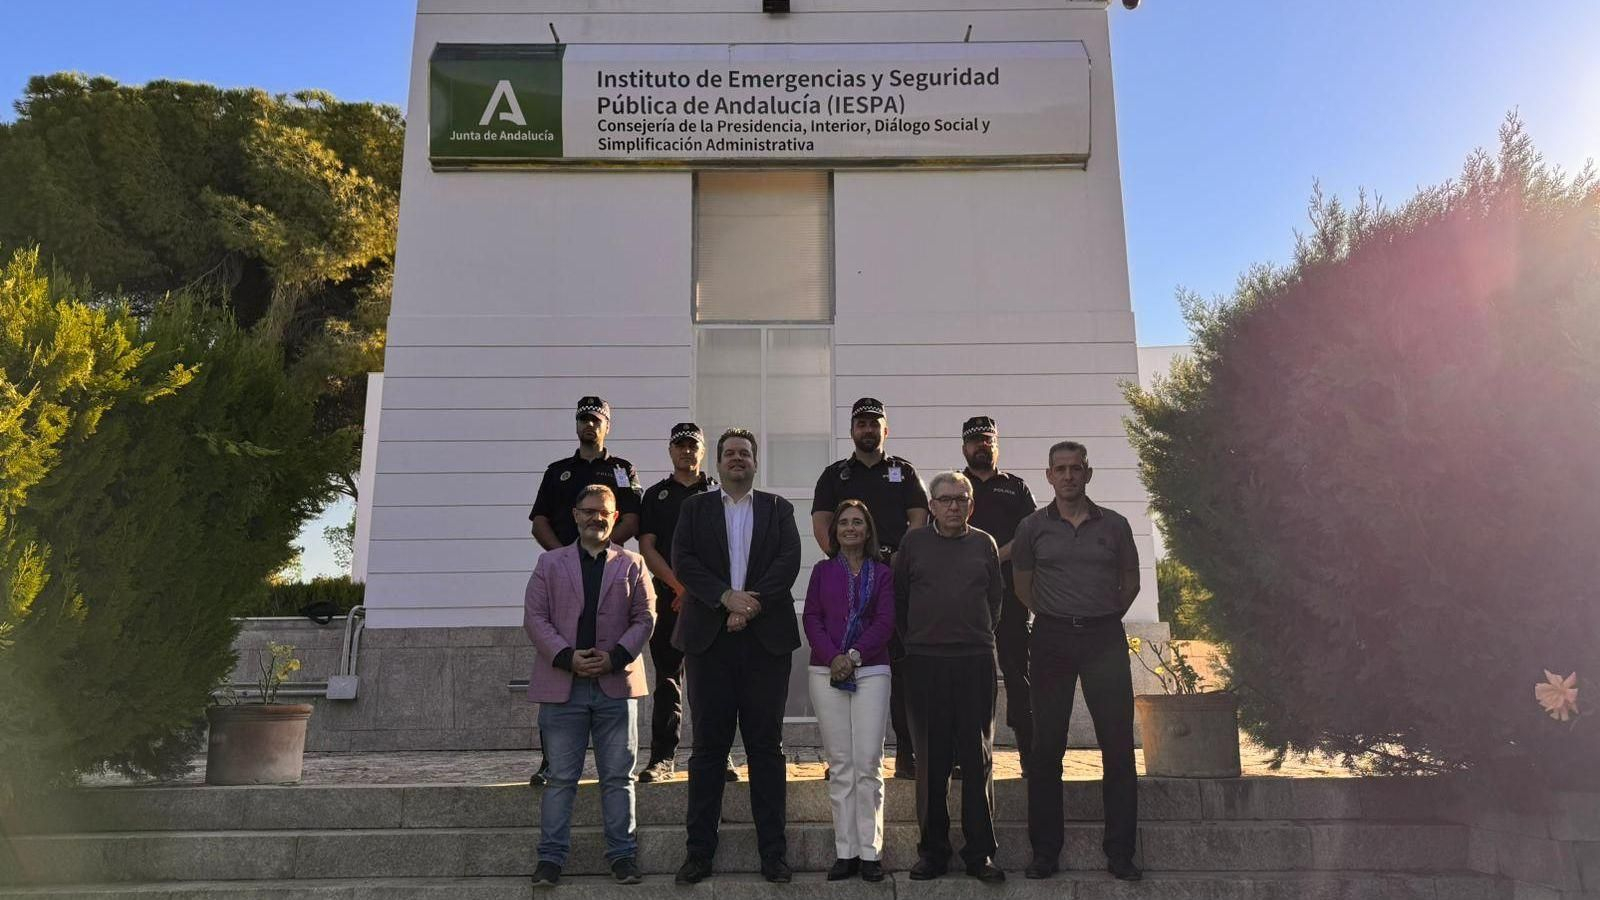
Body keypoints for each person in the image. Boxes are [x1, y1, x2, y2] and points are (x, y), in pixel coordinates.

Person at [670, 428, 803, 884]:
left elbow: (788, 561)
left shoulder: (778, 509)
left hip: (766, 644)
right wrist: (725, 598)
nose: (737, 459)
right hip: (710, 642)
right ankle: (699, 853)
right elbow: (683, 560)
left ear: (755, 462)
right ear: (719, 462)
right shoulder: (694, 508)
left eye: (744, 453)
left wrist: (750, 604)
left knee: (766, 749)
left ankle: (774, 854)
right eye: (729, 453)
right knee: (708, 750)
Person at [1013, 441, 1143, 882]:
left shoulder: (1117, 526)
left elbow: (1131, 581)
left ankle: (1121, 853)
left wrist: (1100, 614)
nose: (1068, 476)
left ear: (1088, 474)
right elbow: (1023, 587)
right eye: (1060, 469)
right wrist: (1059, 615)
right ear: (1048, 476)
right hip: (1050, 639)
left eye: (1076, 469)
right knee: (1046, 747)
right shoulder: (1032, 527)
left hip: (1104, 637)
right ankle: (1044, 852)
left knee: (1119, 747)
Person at [521, 485, 655, 887]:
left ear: (615, 519)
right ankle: (550, 860)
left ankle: (623, 857)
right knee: (561, 777)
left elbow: (645, 617)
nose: (596, 517)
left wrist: (614, 657)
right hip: (564, 686)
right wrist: (566, 656)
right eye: (589, 511)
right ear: (576, 515)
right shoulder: (549, 564)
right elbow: (535, 618)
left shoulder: (633, 564)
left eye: (605, 512)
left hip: (616, 683)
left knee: (619, 776)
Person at [893, 471, 1005, 883]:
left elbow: (995, 602)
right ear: (932, 505)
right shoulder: (914, 543)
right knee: (931, 762)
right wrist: (920, 641)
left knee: (978, 760)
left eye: (961, 499)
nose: (954, 505)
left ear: (971, 505)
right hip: (924, 663)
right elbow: (900, 598)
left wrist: (973, 637)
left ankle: (981, 854)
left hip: (975, 660)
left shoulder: (985, 544)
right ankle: (933, 852)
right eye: (945, 499)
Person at [526, 396, 644, 785]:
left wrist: (605, 549)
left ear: (608, 425)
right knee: (557, 673)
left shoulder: (622, 470)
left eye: (596, 420)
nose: (589, 426)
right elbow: (539, 520)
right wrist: (565, 557)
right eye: (583, 420)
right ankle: (550, 762)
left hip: (608, 573)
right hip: (563, 575)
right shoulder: (557, 471)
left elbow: (633, 518)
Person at [811, 397, 929, 779]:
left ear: (885, 430)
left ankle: (907, 755)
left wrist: (894, 562)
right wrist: (847, 561)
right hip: (850, 583)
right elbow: (823, 523)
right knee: (847, 662)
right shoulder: (834, 475)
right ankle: (842, 759)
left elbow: (919, 520)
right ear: (851, 431)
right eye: (860, 423)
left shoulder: (903, 472)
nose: (867, 429)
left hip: (895, 581)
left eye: (874, 423)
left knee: (902, 672)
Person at [635, 423, 738, 784]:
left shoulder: (718, 492)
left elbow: (731, 549)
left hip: (712, 601)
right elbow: (647, 547)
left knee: (714, 682)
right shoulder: (655, 496)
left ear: (702, 451)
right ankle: (663, 758)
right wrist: (679, 587)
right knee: (668, 679)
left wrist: (700, 591)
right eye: (679, 445)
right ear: (670, 451)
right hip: (669, 599)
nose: (686, 451)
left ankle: (719, 754)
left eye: (693, 446)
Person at [802, 500, 897, 883]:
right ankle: (846, 851)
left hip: (872, 669)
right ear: (834, 531)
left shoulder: (883, 573)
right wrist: (833, 656)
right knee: (840, 764)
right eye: (843, 523)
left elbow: (886, 620)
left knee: (868, 762)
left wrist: (854, 656)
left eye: (858, 522)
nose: (850, 528)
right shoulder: (822, 572)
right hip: (826, 671)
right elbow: (811, 617)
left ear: (868, 530)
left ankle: (871, 852)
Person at [960, 416, 1040, 776]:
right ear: (964, 447)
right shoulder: (955, 486)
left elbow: (1030, 535)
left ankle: (1030, 755)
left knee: (1018, 672)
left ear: (997, 444)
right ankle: (972, 757)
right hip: (965, 596)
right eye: (976, 441)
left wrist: (994, 557)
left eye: (988, 440)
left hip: (1011, 596)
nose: (982, 446)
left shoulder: (1016, 488)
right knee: (972, 677)